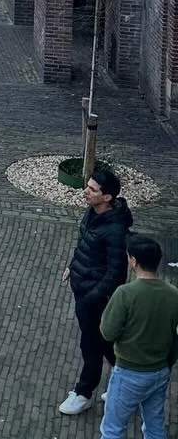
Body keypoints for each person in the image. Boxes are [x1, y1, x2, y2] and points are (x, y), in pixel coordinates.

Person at [65, 233, 178, 439]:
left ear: (133, 261)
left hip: (129, 371)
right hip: (159, 371)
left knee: (113, 428)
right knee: (153, 427)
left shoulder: (126, 294)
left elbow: (107, 330)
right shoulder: (173, 295)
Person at [58, 162, 134, 415]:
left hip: (94, 298)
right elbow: (85, 243)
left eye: (92, 189)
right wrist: (72, 265)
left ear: (107, 197)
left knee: (91, 344)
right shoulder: (92, 213)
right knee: (104, 344)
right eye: (87, 187)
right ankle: (124, 382)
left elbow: (116, 273)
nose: (86, 191)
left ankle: (84, 393)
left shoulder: (114, 230)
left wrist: (91, 297)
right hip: (85, 291)